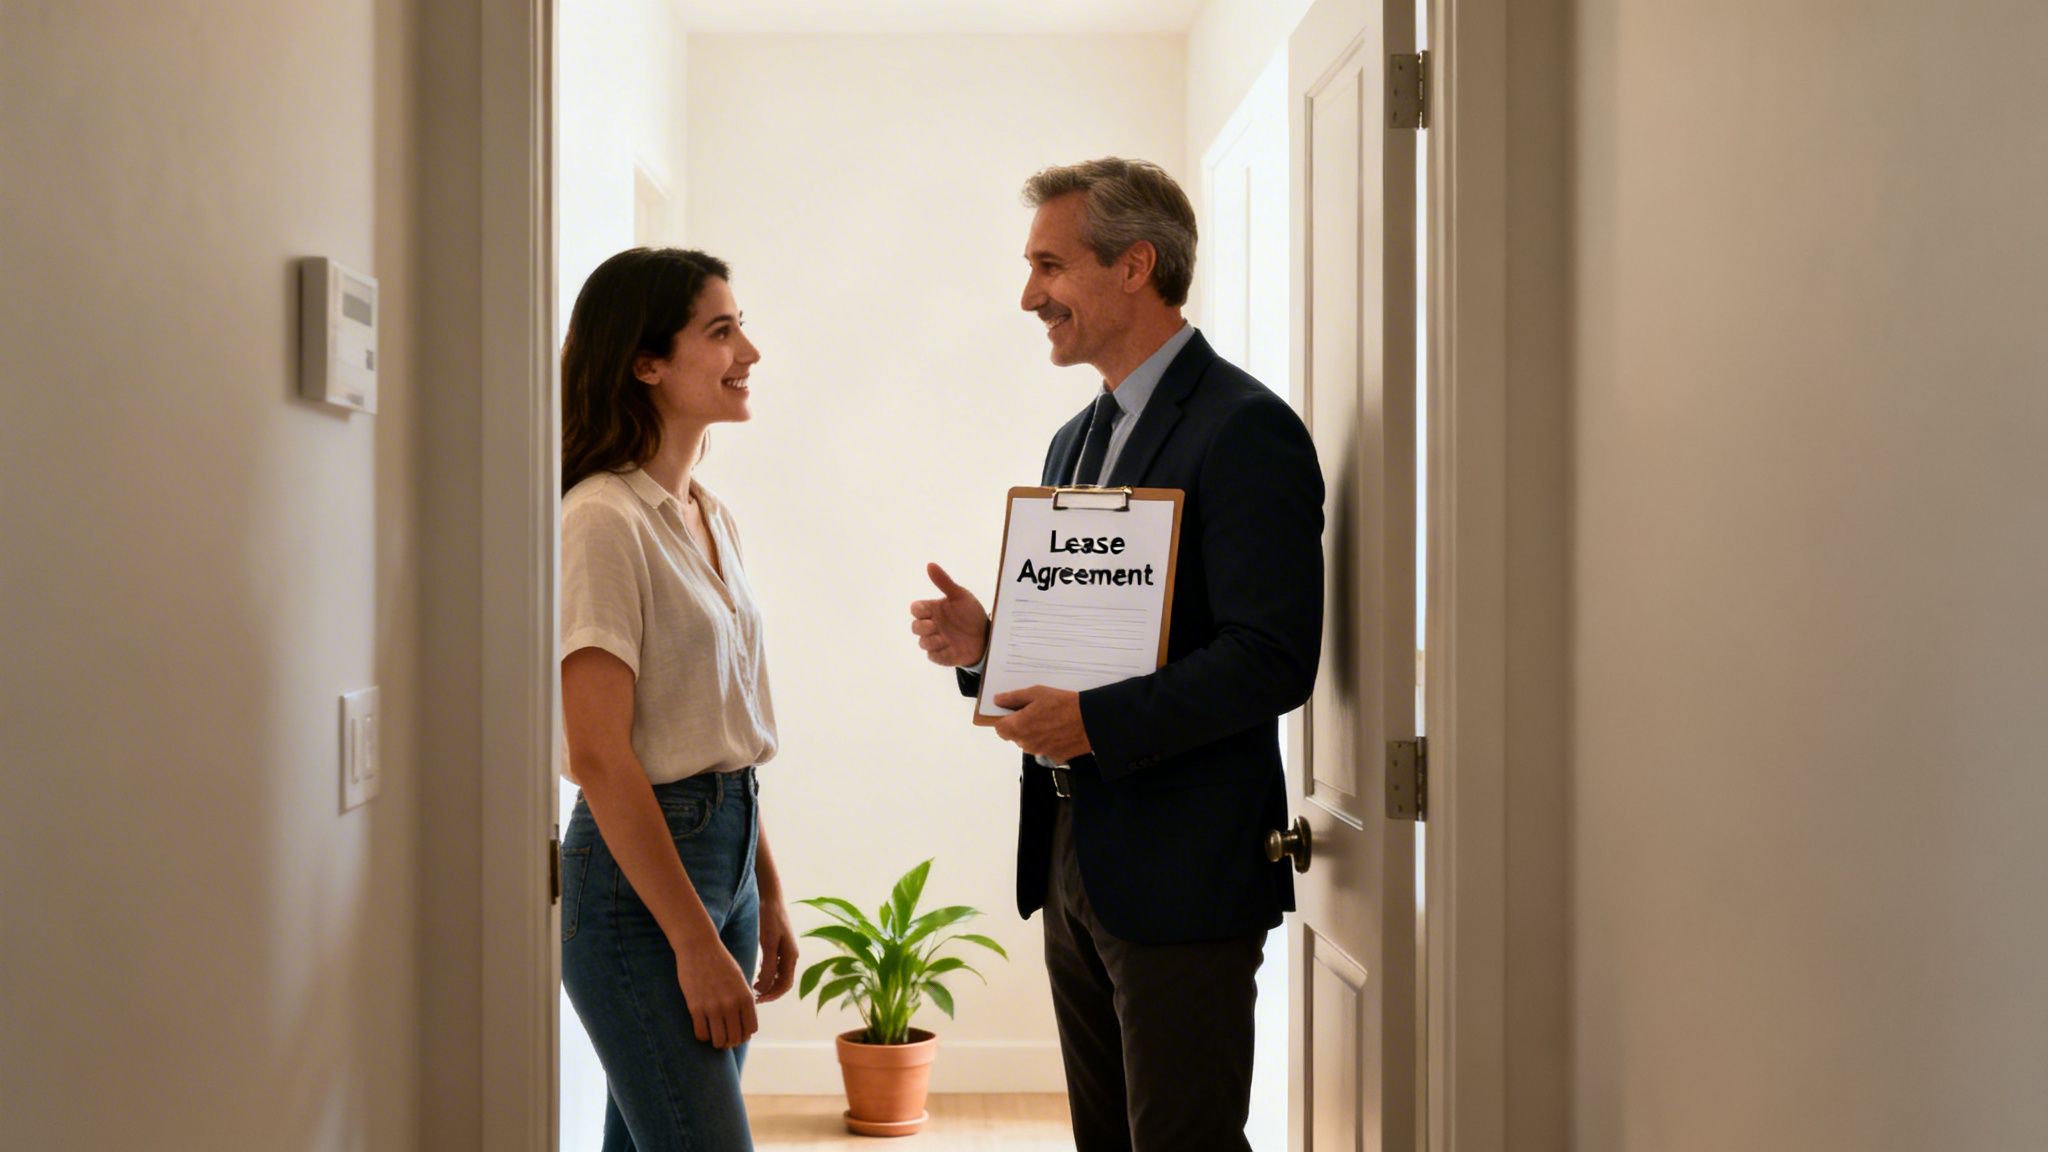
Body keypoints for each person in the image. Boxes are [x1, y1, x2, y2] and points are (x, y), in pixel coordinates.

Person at [908, 158, 1324, 1151]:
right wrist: (989, 648)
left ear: (1134, 266)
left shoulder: (1244, 429)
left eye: (1048, 266)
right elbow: (1103, 639)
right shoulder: (1070, 442)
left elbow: (1271, 656)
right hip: (1070, 854)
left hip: (1183, 872)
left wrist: (1094, 721)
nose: (1027, 296)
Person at [557, 247, 797, 1152]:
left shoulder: (707, 514)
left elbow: (721, 732)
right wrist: (695, 942)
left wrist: (764, 892)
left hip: (723, 860)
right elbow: (598, 754)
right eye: (722, 330)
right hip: (639, 892)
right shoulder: (601, 519)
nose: (751, 351)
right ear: (646, 362)